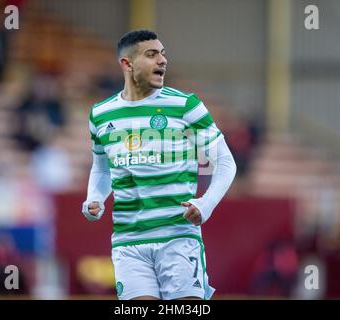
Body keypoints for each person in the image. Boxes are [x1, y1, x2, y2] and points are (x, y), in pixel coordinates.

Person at [82, 30, 236, 300]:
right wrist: (94, 197)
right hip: (128, 241)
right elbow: (102, 168)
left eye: (163, 54)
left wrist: (206, 203)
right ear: (127, 64)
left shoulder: (185, 106)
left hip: (177, 236)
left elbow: (224, 161)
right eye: (151, 54)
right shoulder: (100, 114)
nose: (162, 60)